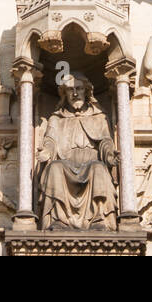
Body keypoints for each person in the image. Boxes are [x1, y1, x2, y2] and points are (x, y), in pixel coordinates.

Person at [36, 73, 118, 230]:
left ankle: (99, 219)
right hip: (66, 164)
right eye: (70, 90)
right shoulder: (56, 118)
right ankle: (59, 220)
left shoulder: (99, 117)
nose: (75, 94)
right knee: (55, 168)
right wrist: (46, 151)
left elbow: (106, 142)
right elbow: (50, 141)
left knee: (99, 169)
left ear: (87, 92)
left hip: (92, 164)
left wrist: (109, 155)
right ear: (64, 94)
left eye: (79, 89)